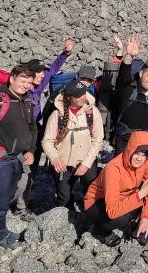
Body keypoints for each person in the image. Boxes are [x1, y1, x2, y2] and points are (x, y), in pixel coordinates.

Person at [0, 62, 38, 249]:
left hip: (16, 157)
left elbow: (32, 128)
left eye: (29, 82)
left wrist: (31, 149)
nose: (25, 85)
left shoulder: (26, 101)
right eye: (22, 80)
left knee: (7, 194)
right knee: (0, 199)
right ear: (11, 79)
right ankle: (1, 235)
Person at [14, 36, 75, 216]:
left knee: (31, 169)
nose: (42, 76)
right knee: (21, 169)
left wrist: (66, 53)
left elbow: (54, 68)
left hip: (35, 132)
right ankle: (15, 200)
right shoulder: (21, 91)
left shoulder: (38, 86)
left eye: (42, 73)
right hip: (20, 134)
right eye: (39, 73)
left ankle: (22, 204)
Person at [83, 131, 148, 247]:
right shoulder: (114, 168)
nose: (140, 159)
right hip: (98, 201)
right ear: (130, 150)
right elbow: (112, 211)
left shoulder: (147, 161)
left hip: (127, 196)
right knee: (121, 218)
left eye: (144, 155)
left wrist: (145, 217)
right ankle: (102, 231)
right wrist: (140, 195)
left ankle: (138, 231)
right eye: (137, 153)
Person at [41, 77, 104, 209]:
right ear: (69, 98)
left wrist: (86, 164)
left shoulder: (92, 112)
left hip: (86, 159)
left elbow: (98, 140)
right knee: (64, 197)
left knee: (92, 190)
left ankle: (90, 214)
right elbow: (47, 141)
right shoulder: (57, 115)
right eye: (78, 95)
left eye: (84, 93)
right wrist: (55, 158)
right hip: (63, 162)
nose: (83, 97)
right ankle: (65, 216)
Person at [111, 34, 148, 154]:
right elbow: (124, 75)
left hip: (144, 139)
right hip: (125, 139)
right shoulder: (130, 88)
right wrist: (129, 56)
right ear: (140, 74)